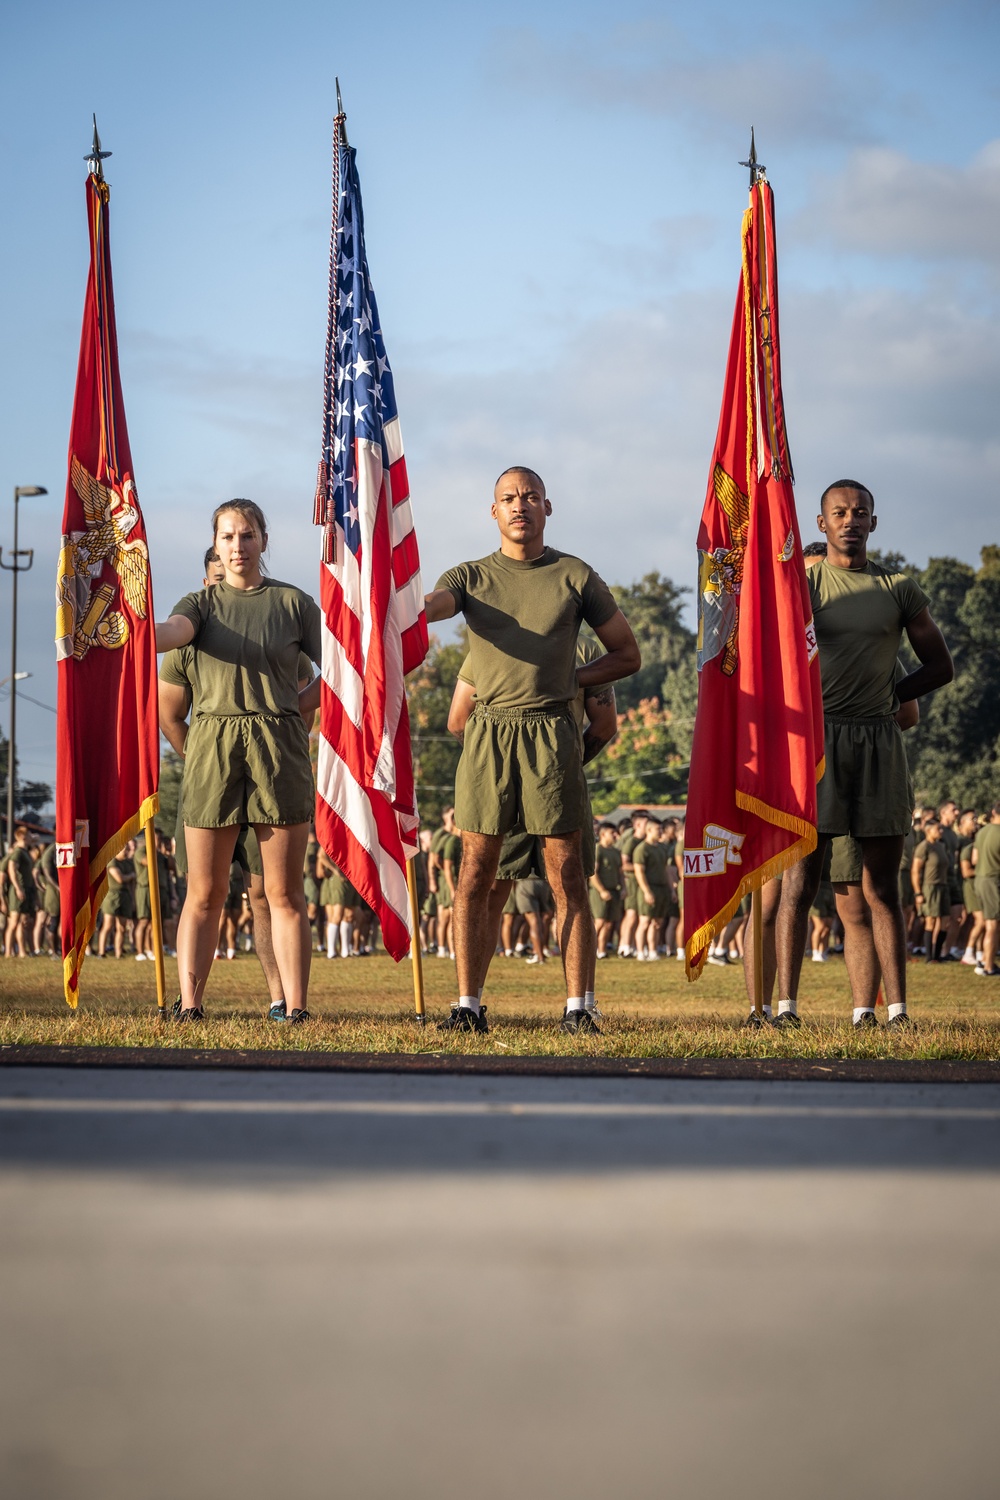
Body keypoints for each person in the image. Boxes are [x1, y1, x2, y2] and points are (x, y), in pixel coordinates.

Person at [426, 465, 638, 1032]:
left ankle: (578, 1009)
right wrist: (402, 605)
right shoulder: (470, 575)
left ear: (548, 506)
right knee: (476, 872)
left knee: (567, 873)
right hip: (489, 732)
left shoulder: (575, 574)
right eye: (507, 498)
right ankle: (467, 1006)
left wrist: (574, 679)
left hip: (550, 732)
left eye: (529, 496)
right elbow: (439, 604)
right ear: (492, 511)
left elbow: (626, 653)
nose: (519, 505)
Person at [772, 480, 952, 1029]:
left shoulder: (899, 588)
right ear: (820, 522)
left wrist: (886, 697)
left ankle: (893, 1013)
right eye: (839, 512)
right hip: (814, 743)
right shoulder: (799, 580)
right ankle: (785, 1009)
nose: (850, 520)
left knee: (880, 888)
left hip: (878, 741)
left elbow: (940, 666)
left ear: (875, 522)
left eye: (860, 512)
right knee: (798, 884)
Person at [154, 500, 321, 1021]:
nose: (237, 546)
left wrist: (294, 708)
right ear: (216, 545)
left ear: (263, 542)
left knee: (283, 892)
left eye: (247, 536)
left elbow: (339, 671)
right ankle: (191, 1004)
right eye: (227, 537)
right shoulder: (201, 603)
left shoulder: (294, 603)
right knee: (205, 892)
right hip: (213, 749)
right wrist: (130, 634)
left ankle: (295, 1009)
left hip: (278, 746)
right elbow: (174, 632)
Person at [911, 820, 952, 963]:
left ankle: (937, 954)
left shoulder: (941, 846)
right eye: (937, 829)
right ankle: (929, 957)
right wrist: (918, 893)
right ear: (928, 830)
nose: (940, 831)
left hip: (943, 886)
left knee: (945, 921)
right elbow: (915, 871)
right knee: (931, 921)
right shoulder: (923, 847)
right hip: (930, 887)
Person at [973, 805, 1000, 978]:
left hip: (979, 879)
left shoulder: (982, 832)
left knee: (988, 923)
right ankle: (988, 966)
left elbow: (974, 858)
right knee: (993, 925)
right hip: (992, 880)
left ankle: (985, 960)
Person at [617, 811, 647, 959]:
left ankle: (631, 945)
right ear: (637, 825)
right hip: (632, 881)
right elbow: (624, 864)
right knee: (631, 914)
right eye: (645, 825)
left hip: (640, 881)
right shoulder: (631, 842)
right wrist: (641, 867)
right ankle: (625, 946)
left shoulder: (644, 842)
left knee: (636, 914)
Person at [590, 823, 623, 960]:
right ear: (603, 834)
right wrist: (602, 890)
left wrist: (624, 887)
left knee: (609, 923)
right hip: (599, 892)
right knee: (600, 921)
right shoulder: (598, 850)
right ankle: (590, 950)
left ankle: (601, 951)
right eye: (612, 833)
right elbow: (593, 873)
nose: (615, 836)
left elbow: (620, 873)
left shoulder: (615, 852)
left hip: (613, 890)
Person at [4, 825, 37, 958]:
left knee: (22, 922)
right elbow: (11, 868)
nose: (31, 837)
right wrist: (18, 888)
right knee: (13, 922)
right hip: (19, 889)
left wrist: (32, 839)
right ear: (23, 837)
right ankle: (8, 951)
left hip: (26, 889)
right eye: (28, 835)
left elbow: (34, 840)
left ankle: (22, 951)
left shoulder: (24, 851)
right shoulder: (18, 852)